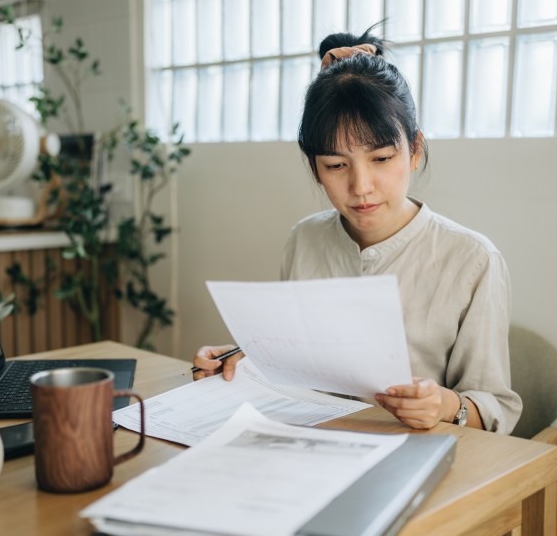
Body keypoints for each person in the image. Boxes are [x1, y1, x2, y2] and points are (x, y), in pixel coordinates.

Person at [193, 27, 522, 434]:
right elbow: (292, 366)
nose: (360, 186)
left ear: (415, 150)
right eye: (335, 165)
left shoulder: (472, 259)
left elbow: (496, 409)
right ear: (314, 166)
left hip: (412, 458)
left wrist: (442, 405)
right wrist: (240, 359)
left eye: (382, 158)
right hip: (308, 446)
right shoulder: (304, 240)